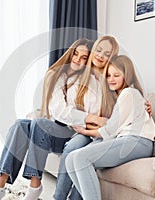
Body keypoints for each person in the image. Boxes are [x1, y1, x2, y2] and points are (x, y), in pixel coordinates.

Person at [0, 38, 101, 200]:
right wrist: (83, 116)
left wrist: (85, 118)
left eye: (83, 57)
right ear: (70, 53)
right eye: (75, 54)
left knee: (39, 124)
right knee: (20, 125)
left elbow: (78, 113)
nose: (77, 59)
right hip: (56, 128)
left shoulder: (90, 82)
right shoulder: (58, 76)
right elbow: (57, 111)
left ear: (88, 61)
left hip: (73, 135)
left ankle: (35, 186)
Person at [65, 55, 155, 200]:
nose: (111, 79)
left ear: (127, 75)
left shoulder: (129, 93)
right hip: (127, 140)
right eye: (108, 75)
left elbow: (110, 129)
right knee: (70, 159)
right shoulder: (123, 96)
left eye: (116, 75)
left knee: (81, 158)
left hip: (137, 142)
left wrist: (84, 131)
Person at [53, 35, 119, 200]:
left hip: (103, 132)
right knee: (71, 149)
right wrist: (90, 121)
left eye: (107, 53)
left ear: (111, 57)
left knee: (85, 157)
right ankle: (58, 197)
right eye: (98, 50)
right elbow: (68, 111)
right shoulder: (78, 77)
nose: (100, 55)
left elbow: (125, 98)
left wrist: (142, 104)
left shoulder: (112, 77)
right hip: (83, 130)